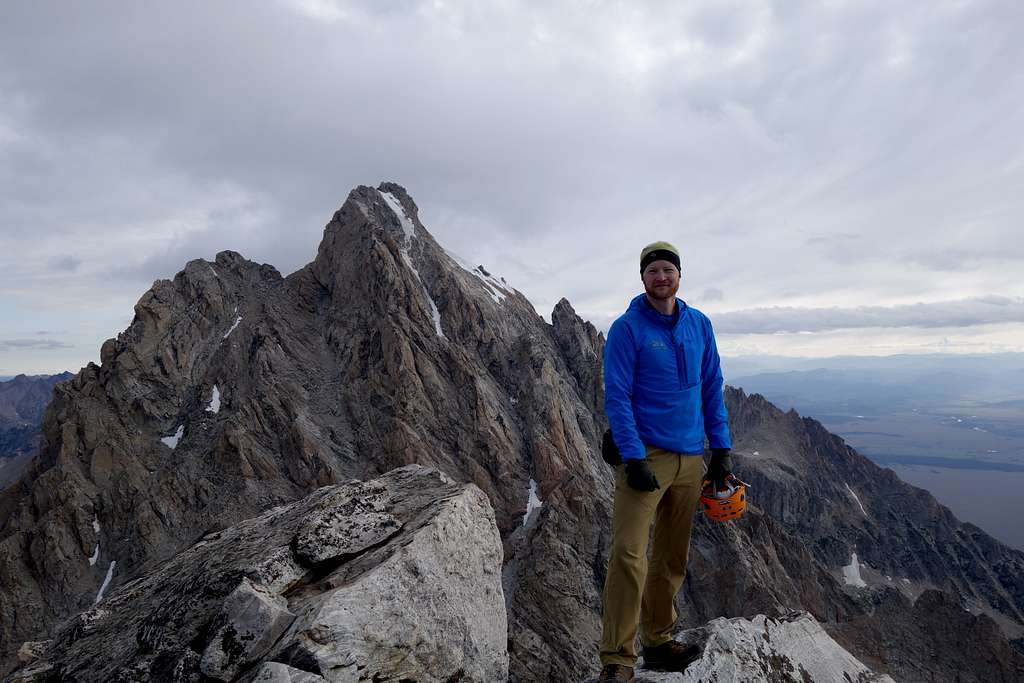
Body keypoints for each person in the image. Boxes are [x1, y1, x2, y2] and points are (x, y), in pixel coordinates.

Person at [597, 241, 733, 682]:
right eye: (653, 271)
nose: (661, 277)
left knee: (672, 556)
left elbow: (711, 386)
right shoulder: (627, 329)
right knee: (628, 555)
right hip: (647, 457)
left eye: (668, 270)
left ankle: (658, 642)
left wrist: (722, 450)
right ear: (643, 278)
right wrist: (633, 457)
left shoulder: (700, 325)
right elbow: (617, 394)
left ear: (679, 276)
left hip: (692, 458)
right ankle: (618, 658)